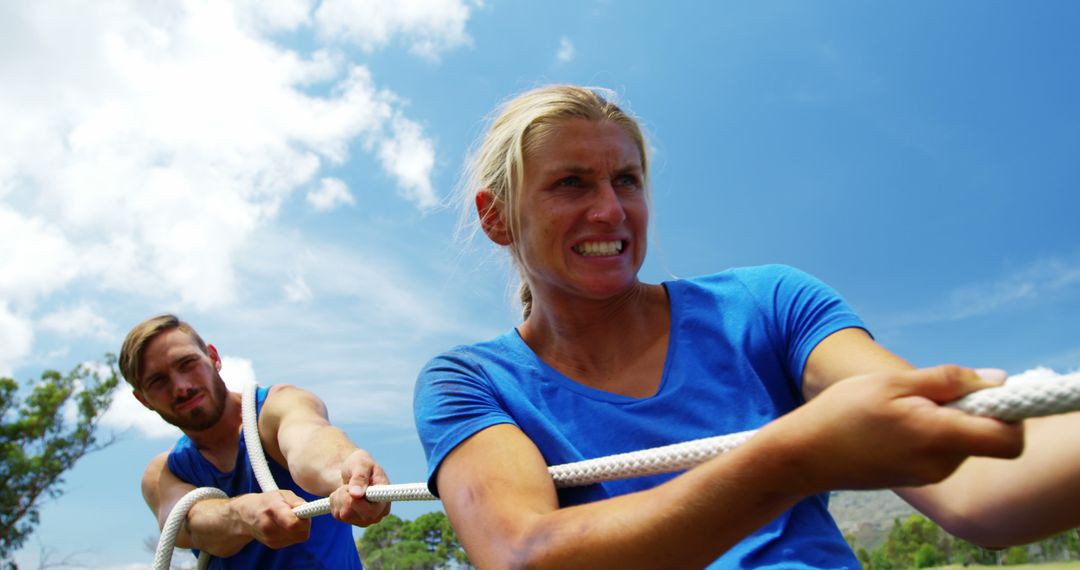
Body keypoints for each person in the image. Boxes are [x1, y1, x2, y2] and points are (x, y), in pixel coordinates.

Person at [413, 85, 1080, 568]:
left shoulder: (769, 305)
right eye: (571, 184)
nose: (611, 210)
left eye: (627, 180)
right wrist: (795, 457)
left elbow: (976, 485)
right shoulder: (469, 383)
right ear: (496, 217)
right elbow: (523, 554)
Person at [119, 314, 390, 569]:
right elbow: (186, 522)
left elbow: (309, 439)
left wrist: (347, 471)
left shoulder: (278, 406)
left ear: (213, 357)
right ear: (143, 399)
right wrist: (243, 514)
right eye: (158, 381)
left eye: (187, 364)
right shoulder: (164, 472)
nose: (181, 386)